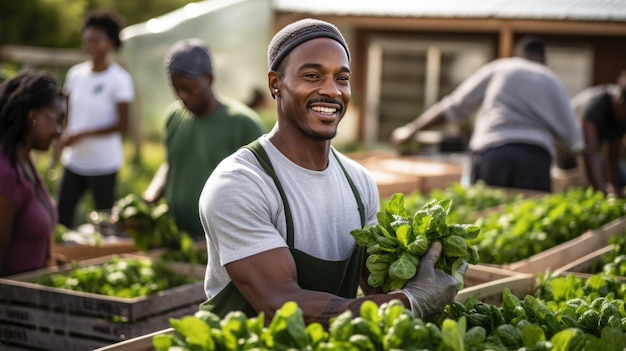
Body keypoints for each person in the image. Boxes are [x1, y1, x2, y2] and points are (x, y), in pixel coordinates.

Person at [198, 18, 464, 325]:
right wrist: (408, 302)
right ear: (275, 84)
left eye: (342, 78)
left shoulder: (358, 182)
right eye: (312, 75)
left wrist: (428, 266)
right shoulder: (240, 183)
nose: (331, 91)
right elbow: (279, 304)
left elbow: (376, 284)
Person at [391, 36, 585, 192]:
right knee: (529, 218)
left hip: (494, 152)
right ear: (544, 59)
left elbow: (455, 105)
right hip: (535, 158)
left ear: (518, 55)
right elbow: (574, 140)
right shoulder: (551, 80)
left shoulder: (500, 67)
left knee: (488, 218)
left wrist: (411, 130)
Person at [142, 39, 265, 240]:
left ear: (208, 78)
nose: (182, 96)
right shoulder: (174, 116)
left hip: (221, 240)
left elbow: (261, 188)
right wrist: (150, 197)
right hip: (175, 235)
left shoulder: (243, 124)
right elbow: (172, 162)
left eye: (188, 88)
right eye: (175, 88)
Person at [54, 9, 134, 228]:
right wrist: (62, 138)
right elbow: (66, 112)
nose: (90, 46)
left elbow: (122, 124)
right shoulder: (75, 75)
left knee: (105, 222)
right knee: (61, 219)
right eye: (86, 41)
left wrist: (83, 133)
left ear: (110, 43)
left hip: (103, 164)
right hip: (74, 162)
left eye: (96, 41)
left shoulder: (119, 79)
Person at [0, 70, 66, 277]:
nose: (59, 131)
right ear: (32, 116)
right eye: (56, 120)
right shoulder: (6, 173)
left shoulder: (25, 161)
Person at [571, 70, 626, 197]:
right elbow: (589, 153)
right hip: (568, 151)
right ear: (621, 101)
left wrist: (615, 188)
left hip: (592, 153)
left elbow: (613, 153)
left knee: (622, 178)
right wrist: (601, 194)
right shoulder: (595, 106)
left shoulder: (621, 116)